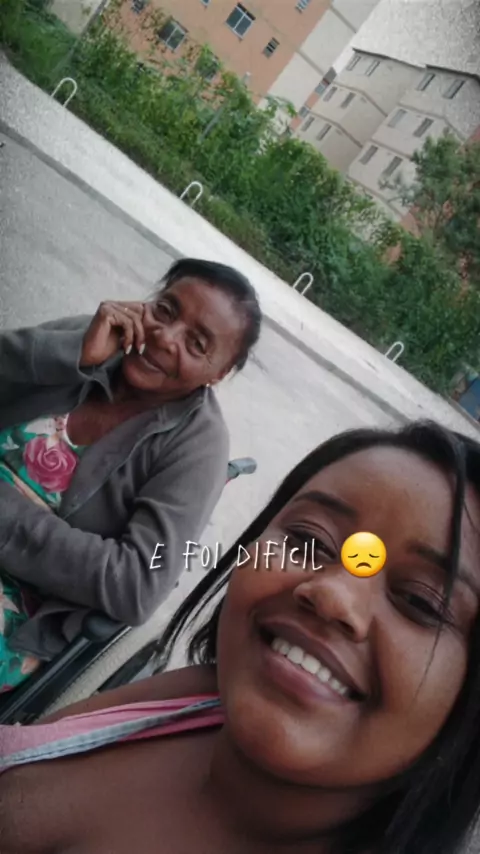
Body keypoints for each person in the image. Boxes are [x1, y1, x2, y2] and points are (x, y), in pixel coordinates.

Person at [1, 420, 480, 854]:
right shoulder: (197, 698)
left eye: (420, 601)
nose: (333, 594)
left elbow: (134, 579)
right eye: (310, 541)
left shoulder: (195, 441)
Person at [0, 258, 262, 690]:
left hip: (26, 604)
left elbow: (138, 583)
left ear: (218, 374)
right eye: (166, 310)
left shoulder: (199, 447)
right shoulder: (92, 337)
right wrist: (71, 355)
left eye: (196, 343)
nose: (164, 337)